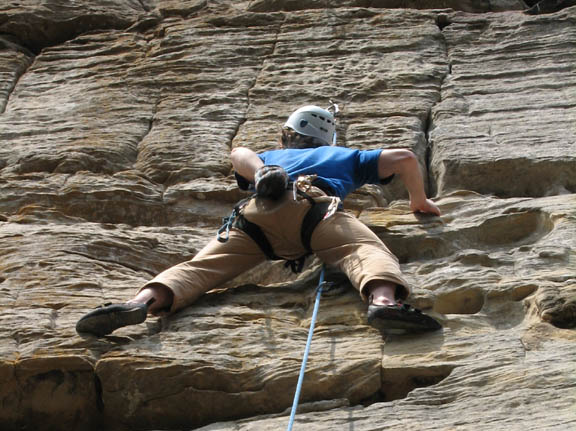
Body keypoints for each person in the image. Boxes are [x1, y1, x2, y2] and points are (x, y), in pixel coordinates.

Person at [76, 105, 442, 337]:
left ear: (287, 135)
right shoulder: (345, 155)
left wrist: (264, 169)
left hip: (255, 217)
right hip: (313, 210)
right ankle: (383, 303)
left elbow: (237, 153)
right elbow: (406, 157)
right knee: (361, 248)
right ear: (326, 138)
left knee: (200, 268)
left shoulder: (273, 152)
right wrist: (418, 199)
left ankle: (140, 303)